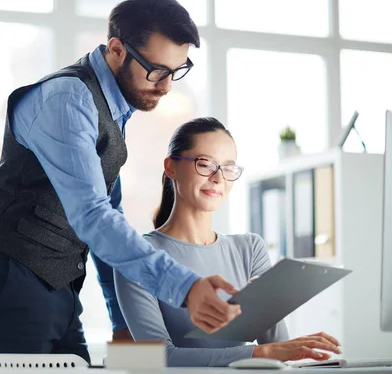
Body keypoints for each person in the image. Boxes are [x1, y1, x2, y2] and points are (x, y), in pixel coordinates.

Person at [0, 0, 241, 374]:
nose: (167, 86)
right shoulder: (69, 100)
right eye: (156, 70)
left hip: (59, 289)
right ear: (116, 49)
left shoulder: (114, 109)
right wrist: (185, 288)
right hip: (4, 278)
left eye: (177, 70)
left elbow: (109, 217)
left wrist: (122, 325)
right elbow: (93, 216)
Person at [114, 117, 343, 366]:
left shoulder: (250, 249)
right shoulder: (138, 257)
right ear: (171, 167)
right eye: (205, 164)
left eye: (228, 168)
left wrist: (267, 304)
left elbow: (277, 350)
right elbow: (162, 358)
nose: (218, 178)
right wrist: (259, 354)